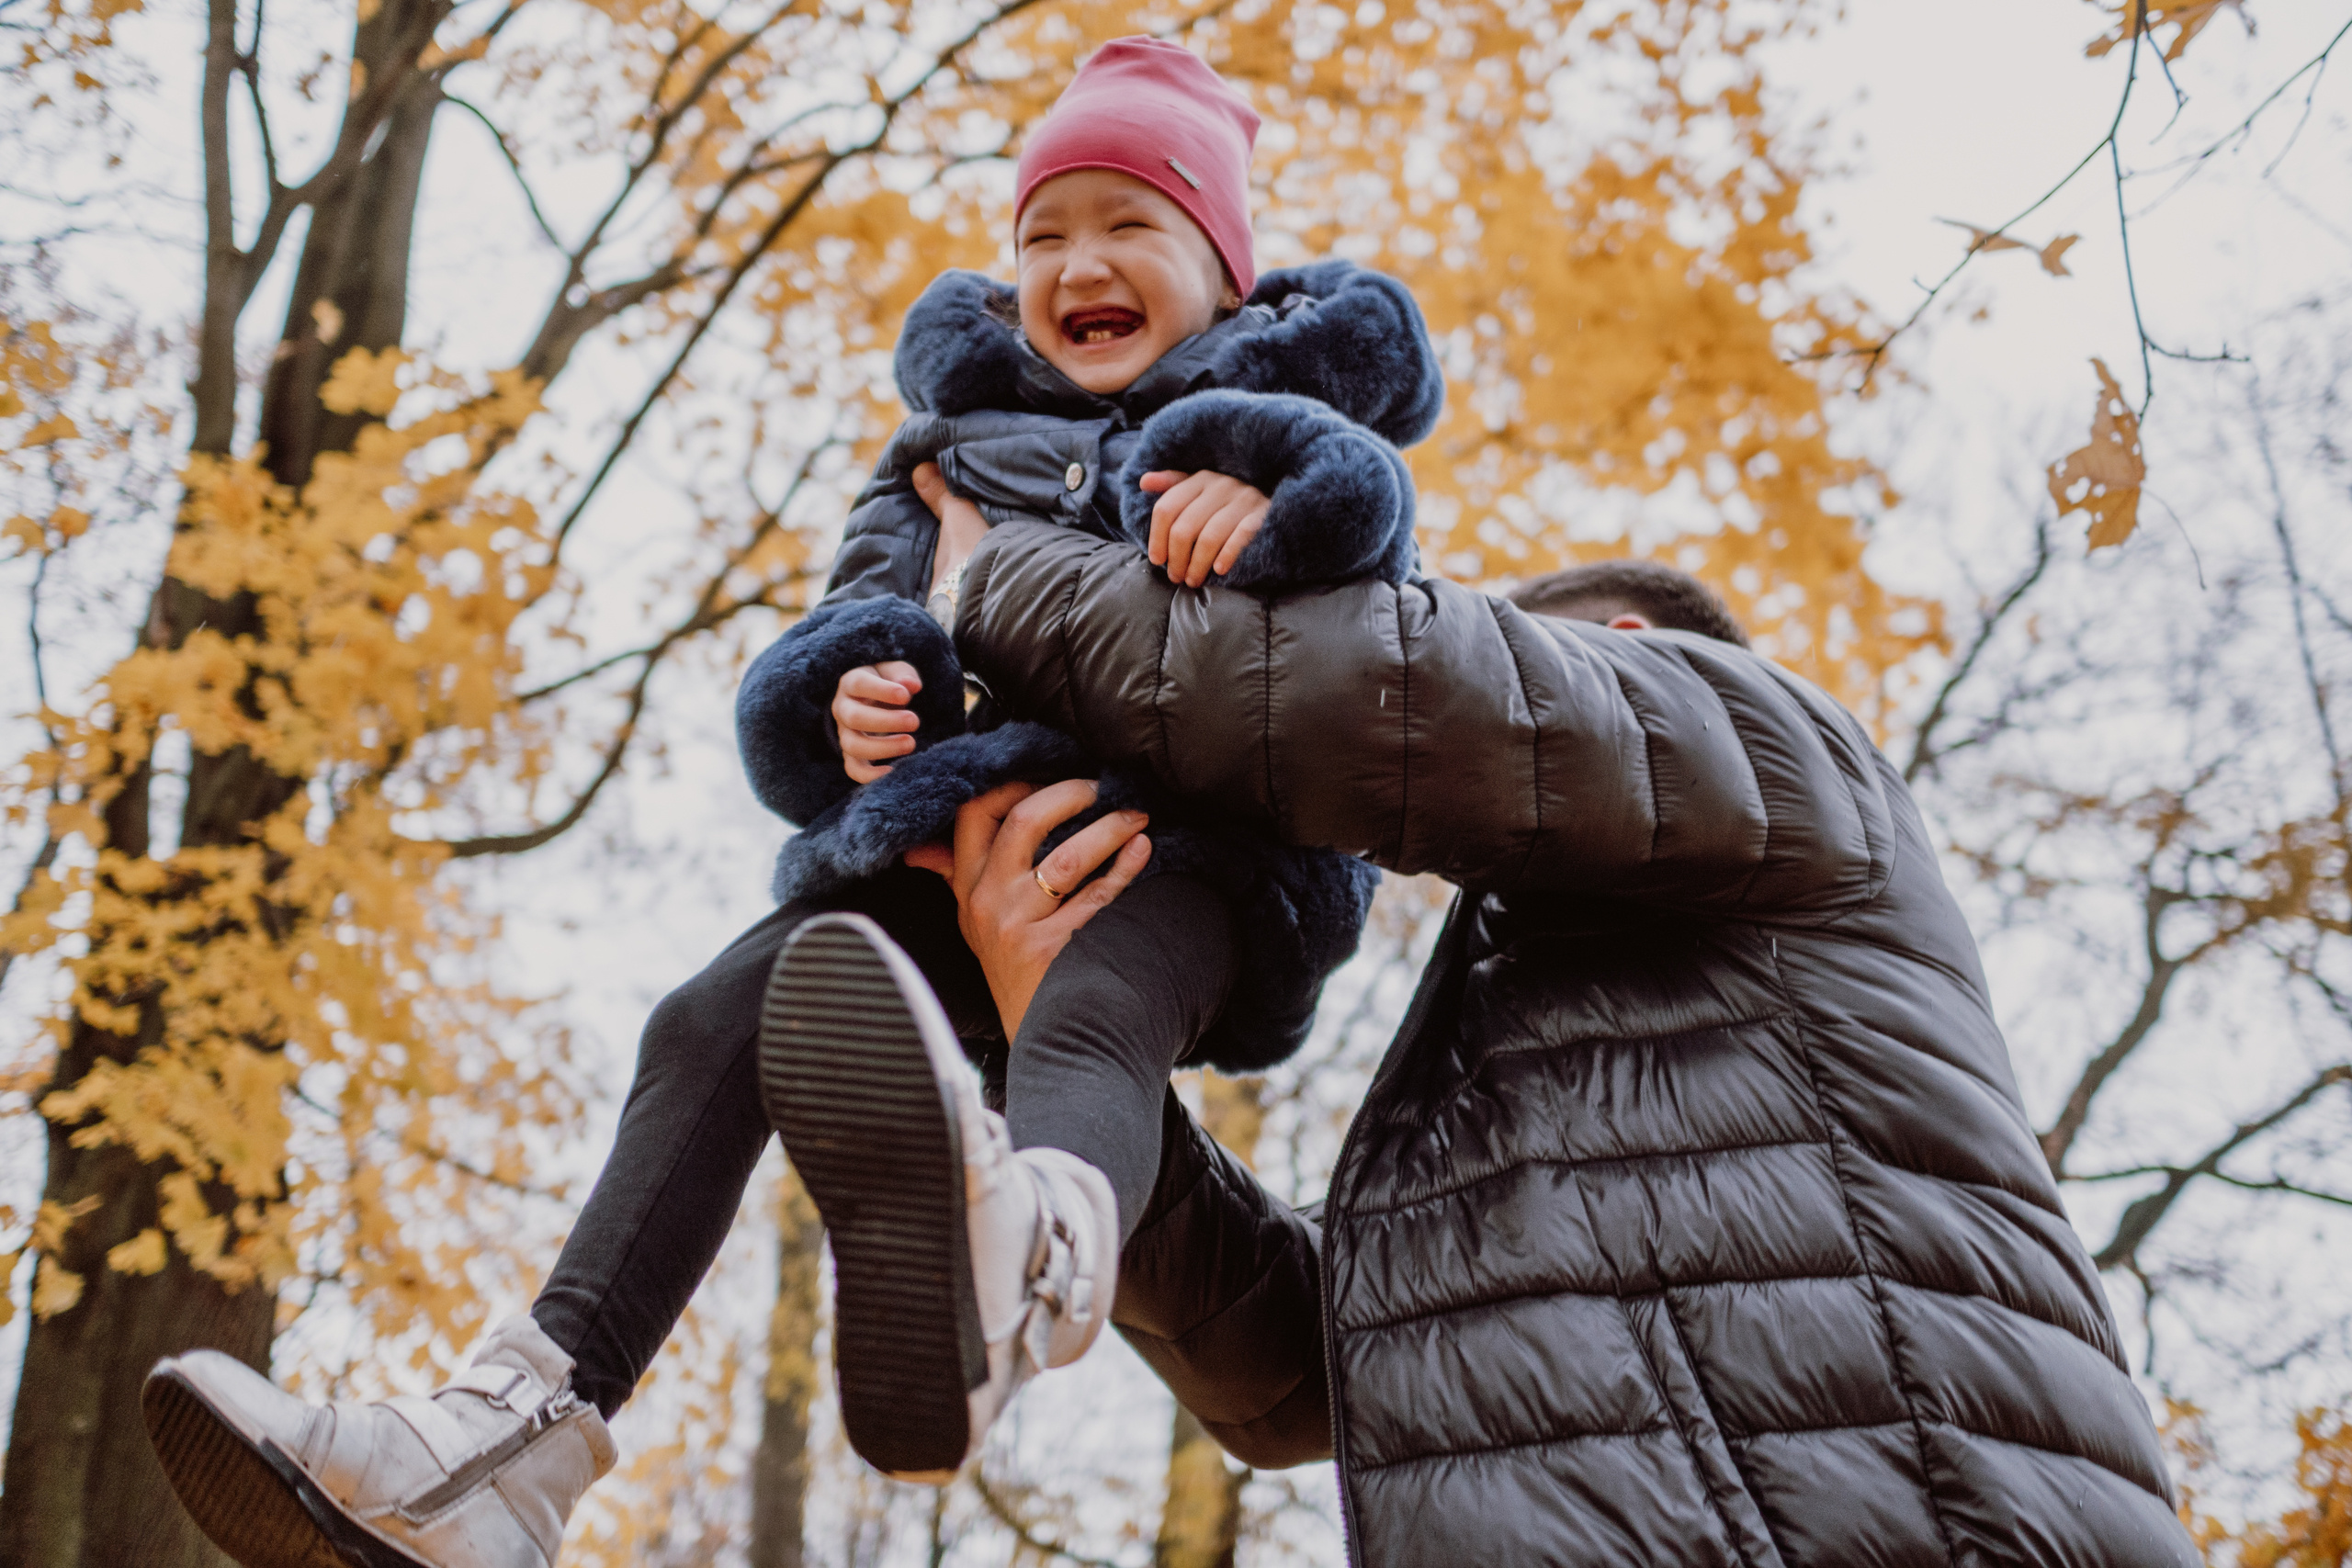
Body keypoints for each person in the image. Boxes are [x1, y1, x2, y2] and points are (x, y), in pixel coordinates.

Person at [137, 36, 1444, 1568]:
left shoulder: (1269, 411)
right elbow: (833, 636)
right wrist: (856, 690)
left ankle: (1030, 1263)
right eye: (1043, 237)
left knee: (1092, 1013)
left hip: (1177, 859)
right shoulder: (944, 450)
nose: (1078, 261)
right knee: (710, 1018)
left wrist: (1277, 511)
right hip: (943, 841)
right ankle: (502, 1452)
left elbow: (1371, 600)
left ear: (1226, 270)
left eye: (1130, 226)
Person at [912, 527, 2202, 1564]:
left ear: (1625, 651)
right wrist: (1043, 1029)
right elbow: (1288, 1377)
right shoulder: (1492, 1050)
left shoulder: (1775, 741)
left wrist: (992, 570)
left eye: (1502, 639)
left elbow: (1368, 692)